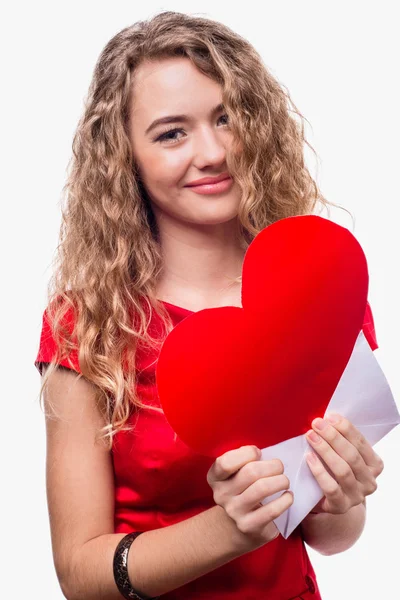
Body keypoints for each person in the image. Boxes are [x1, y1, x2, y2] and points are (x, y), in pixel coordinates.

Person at [34, 10, 384, 600]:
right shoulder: (85, 326)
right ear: (127, 160)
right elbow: (79, 573)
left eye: (227, 118)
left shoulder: (323, 291)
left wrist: (342, 494)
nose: (214, 151)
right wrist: (228, 529)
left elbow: (332, 535)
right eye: (172, 132)